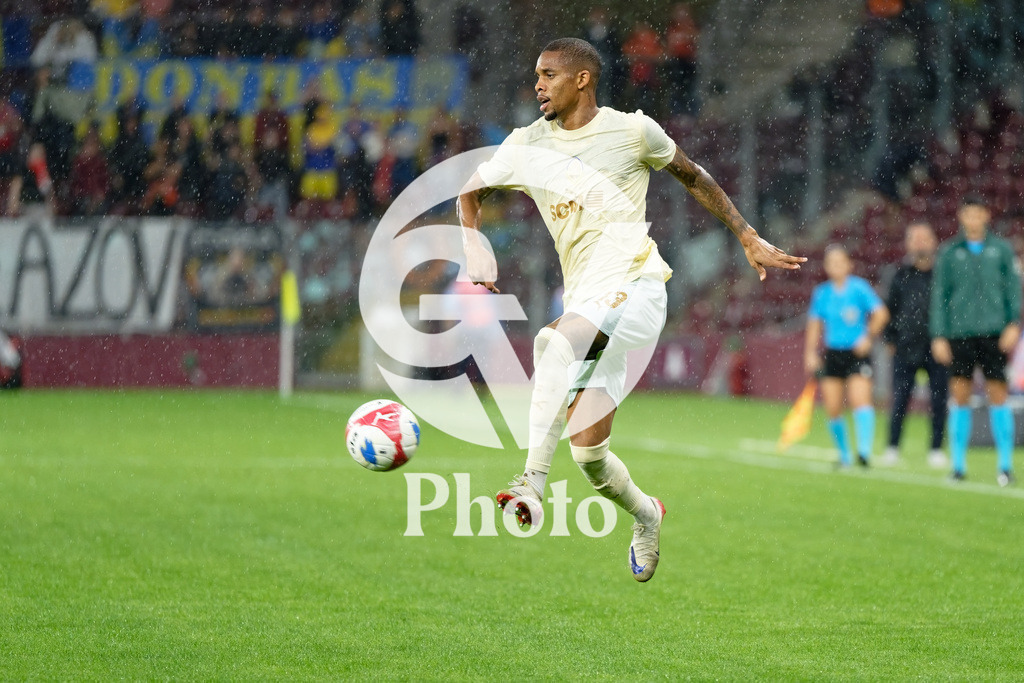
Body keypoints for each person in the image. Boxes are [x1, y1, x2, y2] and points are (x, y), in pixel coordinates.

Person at [457, 38, 804, 582]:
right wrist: (473, 243)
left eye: (548, 74)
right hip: (589, 304)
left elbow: (693, 175)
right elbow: (469, 193)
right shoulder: (526, 145)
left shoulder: (632, 131)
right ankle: (647, 515)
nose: (538, 84)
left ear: (582, 80)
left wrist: (746, 234)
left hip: (637, 287)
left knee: (552, 341)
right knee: (590, 457)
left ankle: (530, 481)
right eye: (535, 75)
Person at [930, 195, 1021, 486]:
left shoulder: (1002, 250)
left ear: (986, 216)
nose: (973, 219)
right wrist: (939, 335)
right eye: (967, 214)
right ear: (961, 217)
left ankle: (1005, 466)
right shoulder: (949, 252)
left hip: (995, 333)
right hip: (960, 334)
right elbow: (940, 295)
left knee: (998, 395)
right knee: (960, 396)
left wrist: (1014, 324)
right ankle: (958, 466)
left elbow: (1013, 290)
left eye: (977, 214)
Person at [804, 244, 890, 469]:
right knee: (833, 407)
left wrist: (868, 337)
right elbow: (814, 324)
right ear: (826, 267)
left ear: (849, 265)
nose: (837, 267)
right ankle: (844, 456)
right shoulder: (822, 293)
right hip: (833, 353)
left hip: (857, 353)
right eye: (832, 263)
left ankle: (863, 452)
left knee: (860, 400)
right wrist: (811, 353)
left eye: (841, 262)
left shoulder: (859, 288)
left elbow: (881, 314)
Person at [881, 222, 948, 468]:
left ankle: (936, 449)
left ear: (934, 241)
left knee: (939, 400)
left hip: (937, 346)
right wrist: (889, 339)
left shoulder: (944, 273)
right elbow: (889, 308)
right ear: (908, 243)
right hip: (905, 345)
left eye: (924, 238)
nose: (920, 243)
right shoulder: (898, 274)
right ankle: (892, 446)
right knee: (899, 399)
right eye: (915, 238)